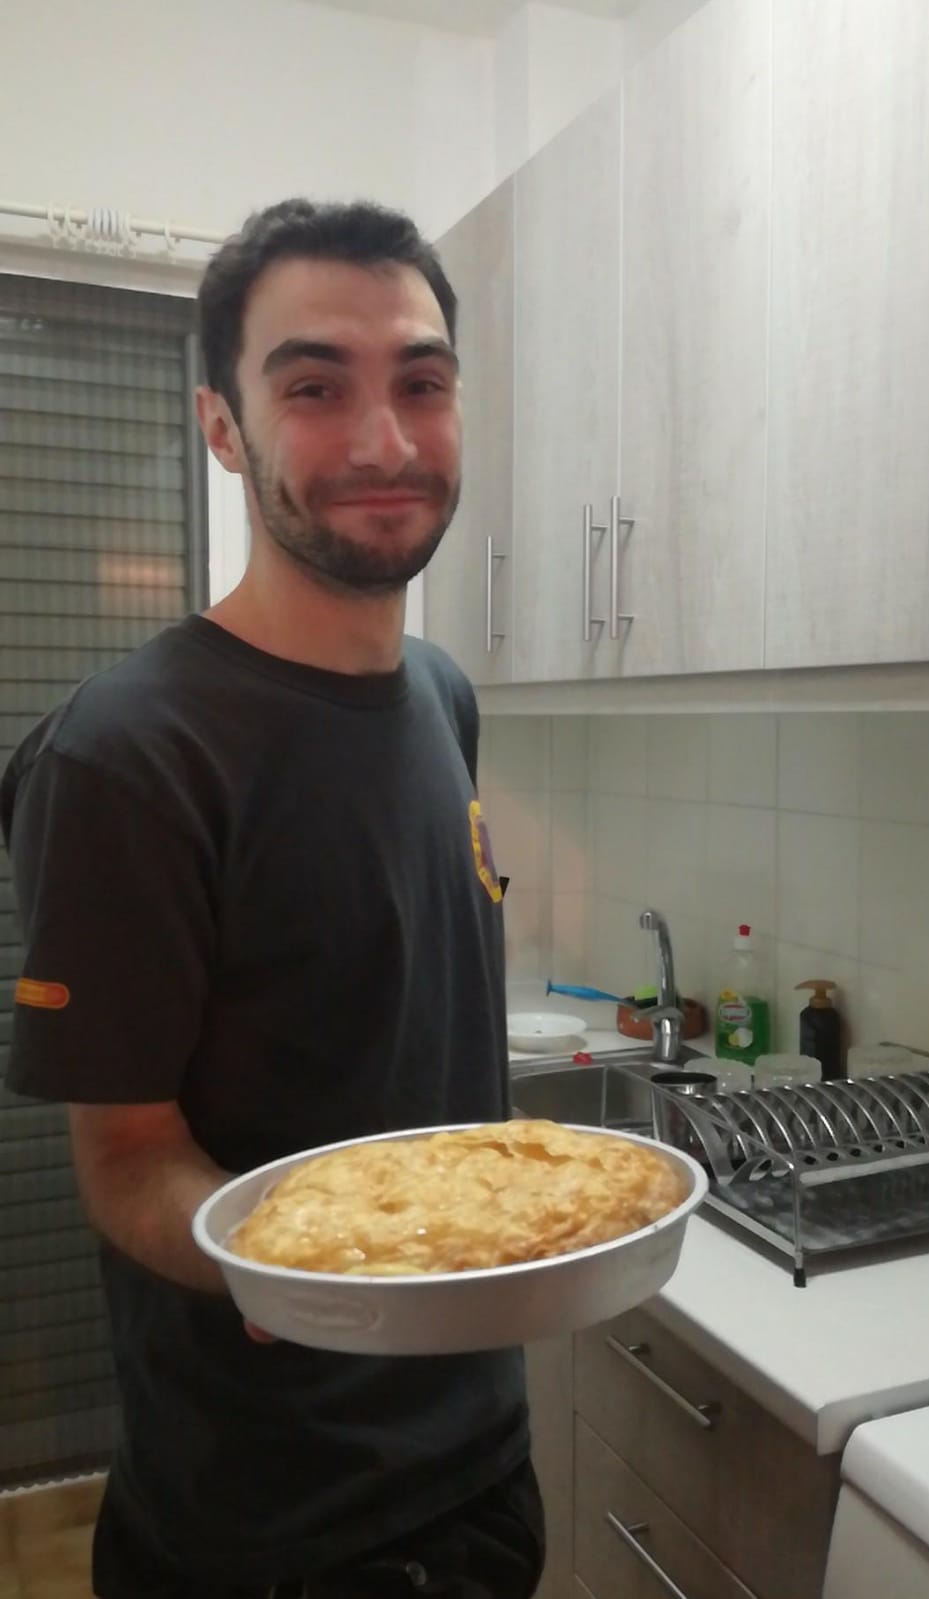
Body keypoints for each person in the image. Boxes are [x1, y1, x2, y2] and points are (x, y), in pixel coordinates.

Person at [0, 198, 544, 1599]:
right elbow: (126, 1157)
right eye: (313, 387)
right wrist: (293, 1265)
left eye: (420, 382)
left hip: (482, 1458)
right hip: (276, 1522)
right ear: (223, 428)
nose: (384, 441)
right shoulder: (128, 756)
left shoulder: (441, 697)